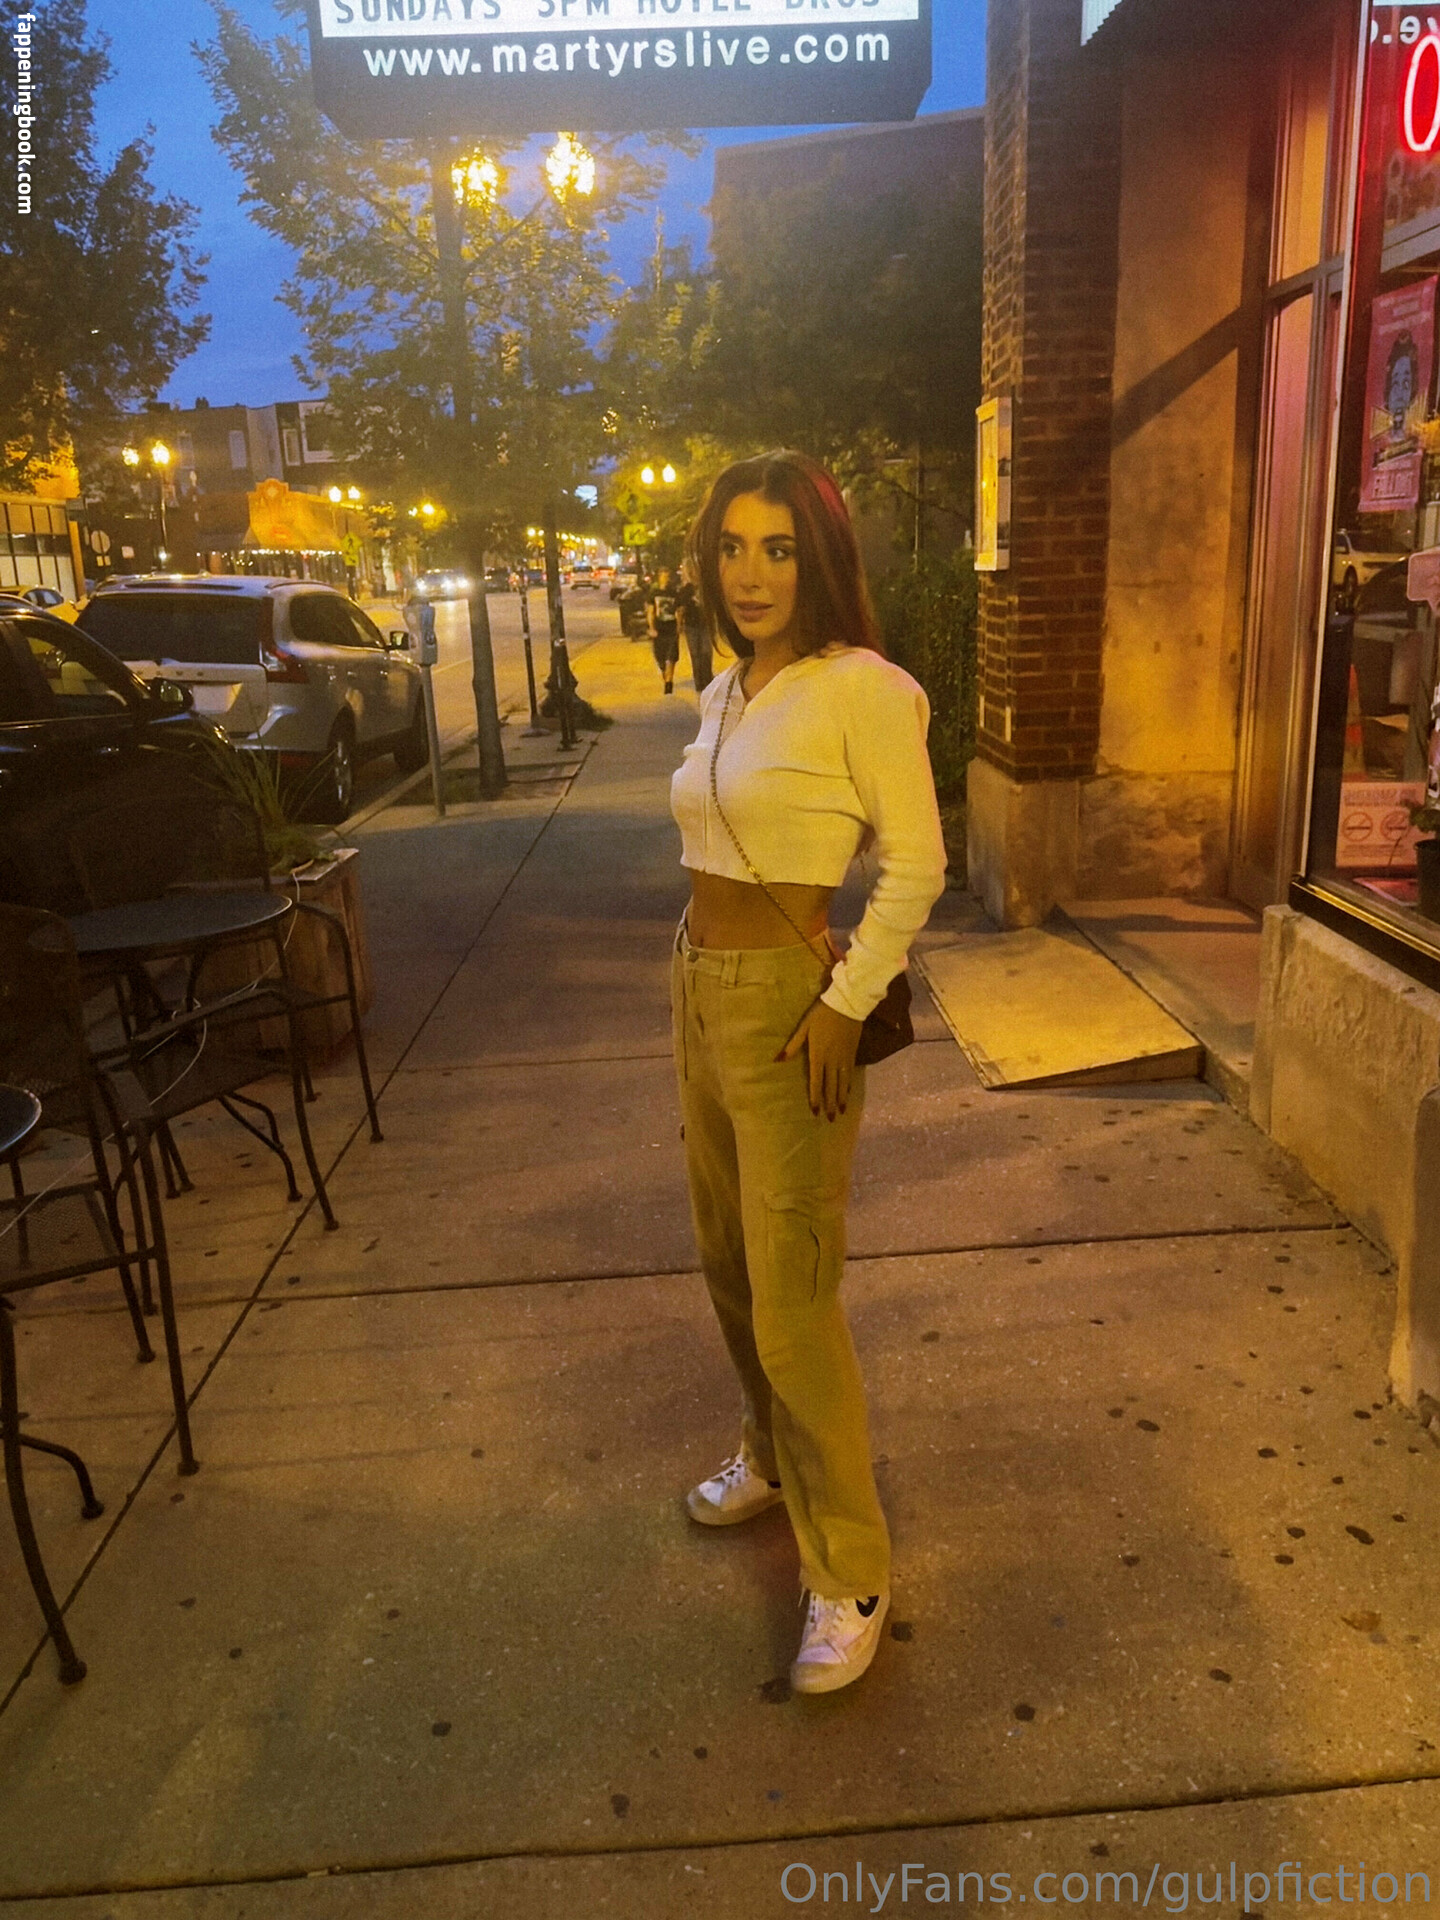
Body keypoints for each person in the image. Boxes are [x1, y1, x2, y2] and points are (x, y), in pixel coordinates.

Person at [669, 450, 946, 1694]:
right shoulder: (727, 690)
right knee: (728, 1256)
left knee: (794, 1288)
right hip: (697, 985)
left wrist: (844, 1001)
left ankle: (851, 1569)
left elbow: (917, 864)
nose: (752, 573)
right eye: (733, 546)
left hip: (789, 1009)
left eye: (778, 548)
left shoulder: (864, 689)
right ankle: (771, 1454)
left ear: (820, 558)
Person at [675, 563, 713, 693]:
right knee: (695, 654)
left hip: (705, 625)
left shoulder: (707, 589)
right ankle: (699, 683)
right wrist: (679, 625)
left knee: (706, 652)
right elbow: (681, 608)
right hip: (691, 625)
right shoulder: (686, 590)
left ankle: (708, 680)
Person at [646, 566, 681, 694]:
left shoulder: (673, 593)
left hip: (671, 627)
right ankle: (665, 674)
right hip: (659, 628)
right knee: (660, 657)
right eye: (663, 576)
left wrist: (678, 626)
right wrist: (651, 627)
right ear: (659, 577)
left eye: (667, 576)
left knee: (672, 656)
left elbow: (678, 610)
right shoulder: (654, 593)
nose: (666, 579)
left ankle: (669, 683)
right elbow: (650, 611)